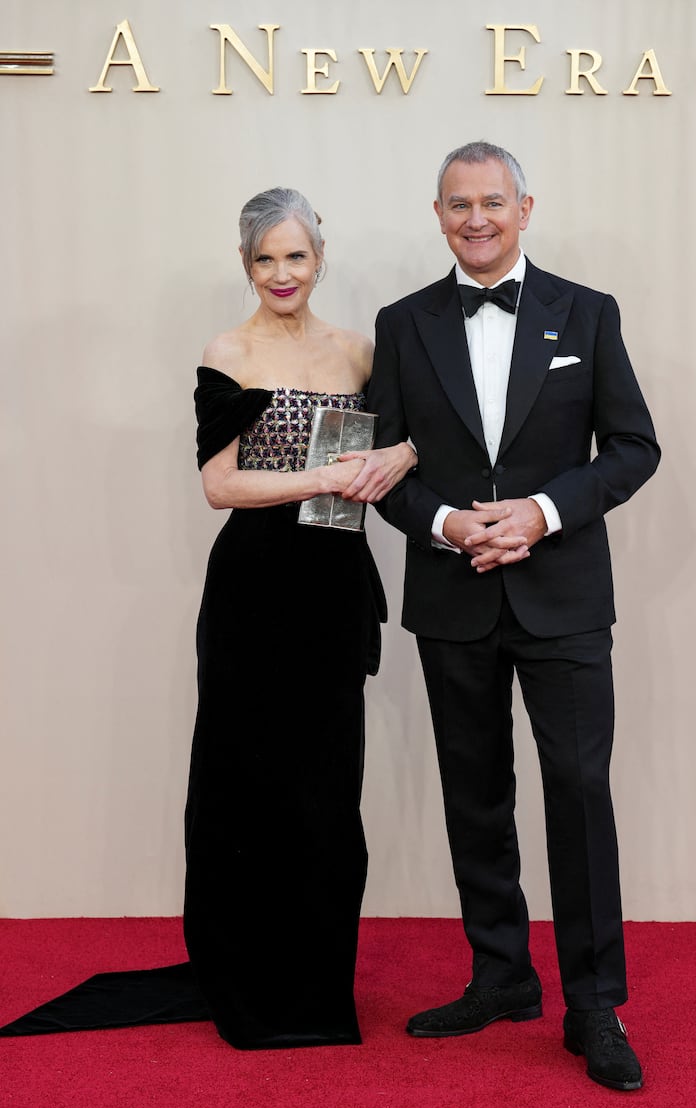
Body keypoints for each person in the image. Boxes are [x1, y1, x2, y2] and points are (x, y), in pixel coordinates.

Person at [0, 187, 415, 1050]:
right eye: (264, 258)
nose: (281, 273)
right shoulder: (228, 350)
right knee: (249, 788)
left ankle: (316, 992)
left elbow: (401, 447)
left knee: (327, 795)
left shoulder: (359, 351)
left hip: (335, 589)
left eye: (294, 256)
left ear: (319, 257)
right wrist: (326, 477)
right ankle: (251, 982)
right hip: (254, 592)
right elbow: (220, 484)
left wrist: (401, 451)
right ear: (245, 265)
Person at [362, 141, 660, 1090]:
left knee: (577, 795)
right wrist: (450, 523)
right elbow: (381, 464)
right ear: (438, 213)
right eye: (458, 204)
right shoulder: (402, 324)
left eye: (493, 201)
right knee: (474, 794)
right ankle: (500, 974)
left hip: (564, 595)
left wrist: (540, 512)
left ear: (525, 208)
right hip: (452, 594)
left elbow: (630, 447)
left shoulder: (588, 311)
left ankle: (593, 1004)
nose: (476, 218)